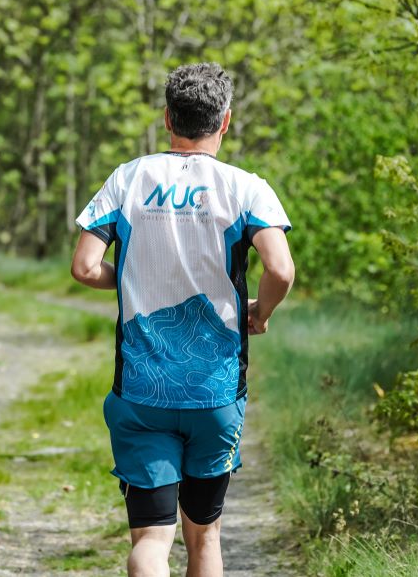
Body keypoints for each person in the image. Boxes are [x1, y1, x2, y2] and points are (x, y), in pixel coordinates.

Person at [70, 63, 295, 577]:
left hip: (141, 391)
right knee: (205, 539)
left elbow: (83, 267)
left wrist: (128, 279)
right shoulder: (247, 188)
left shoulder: (128, 177)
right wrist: (260, 312)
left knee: (151, 540)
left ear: (168, 117)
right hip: (216, 391)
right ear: (226, 120)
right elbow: (280, 269)